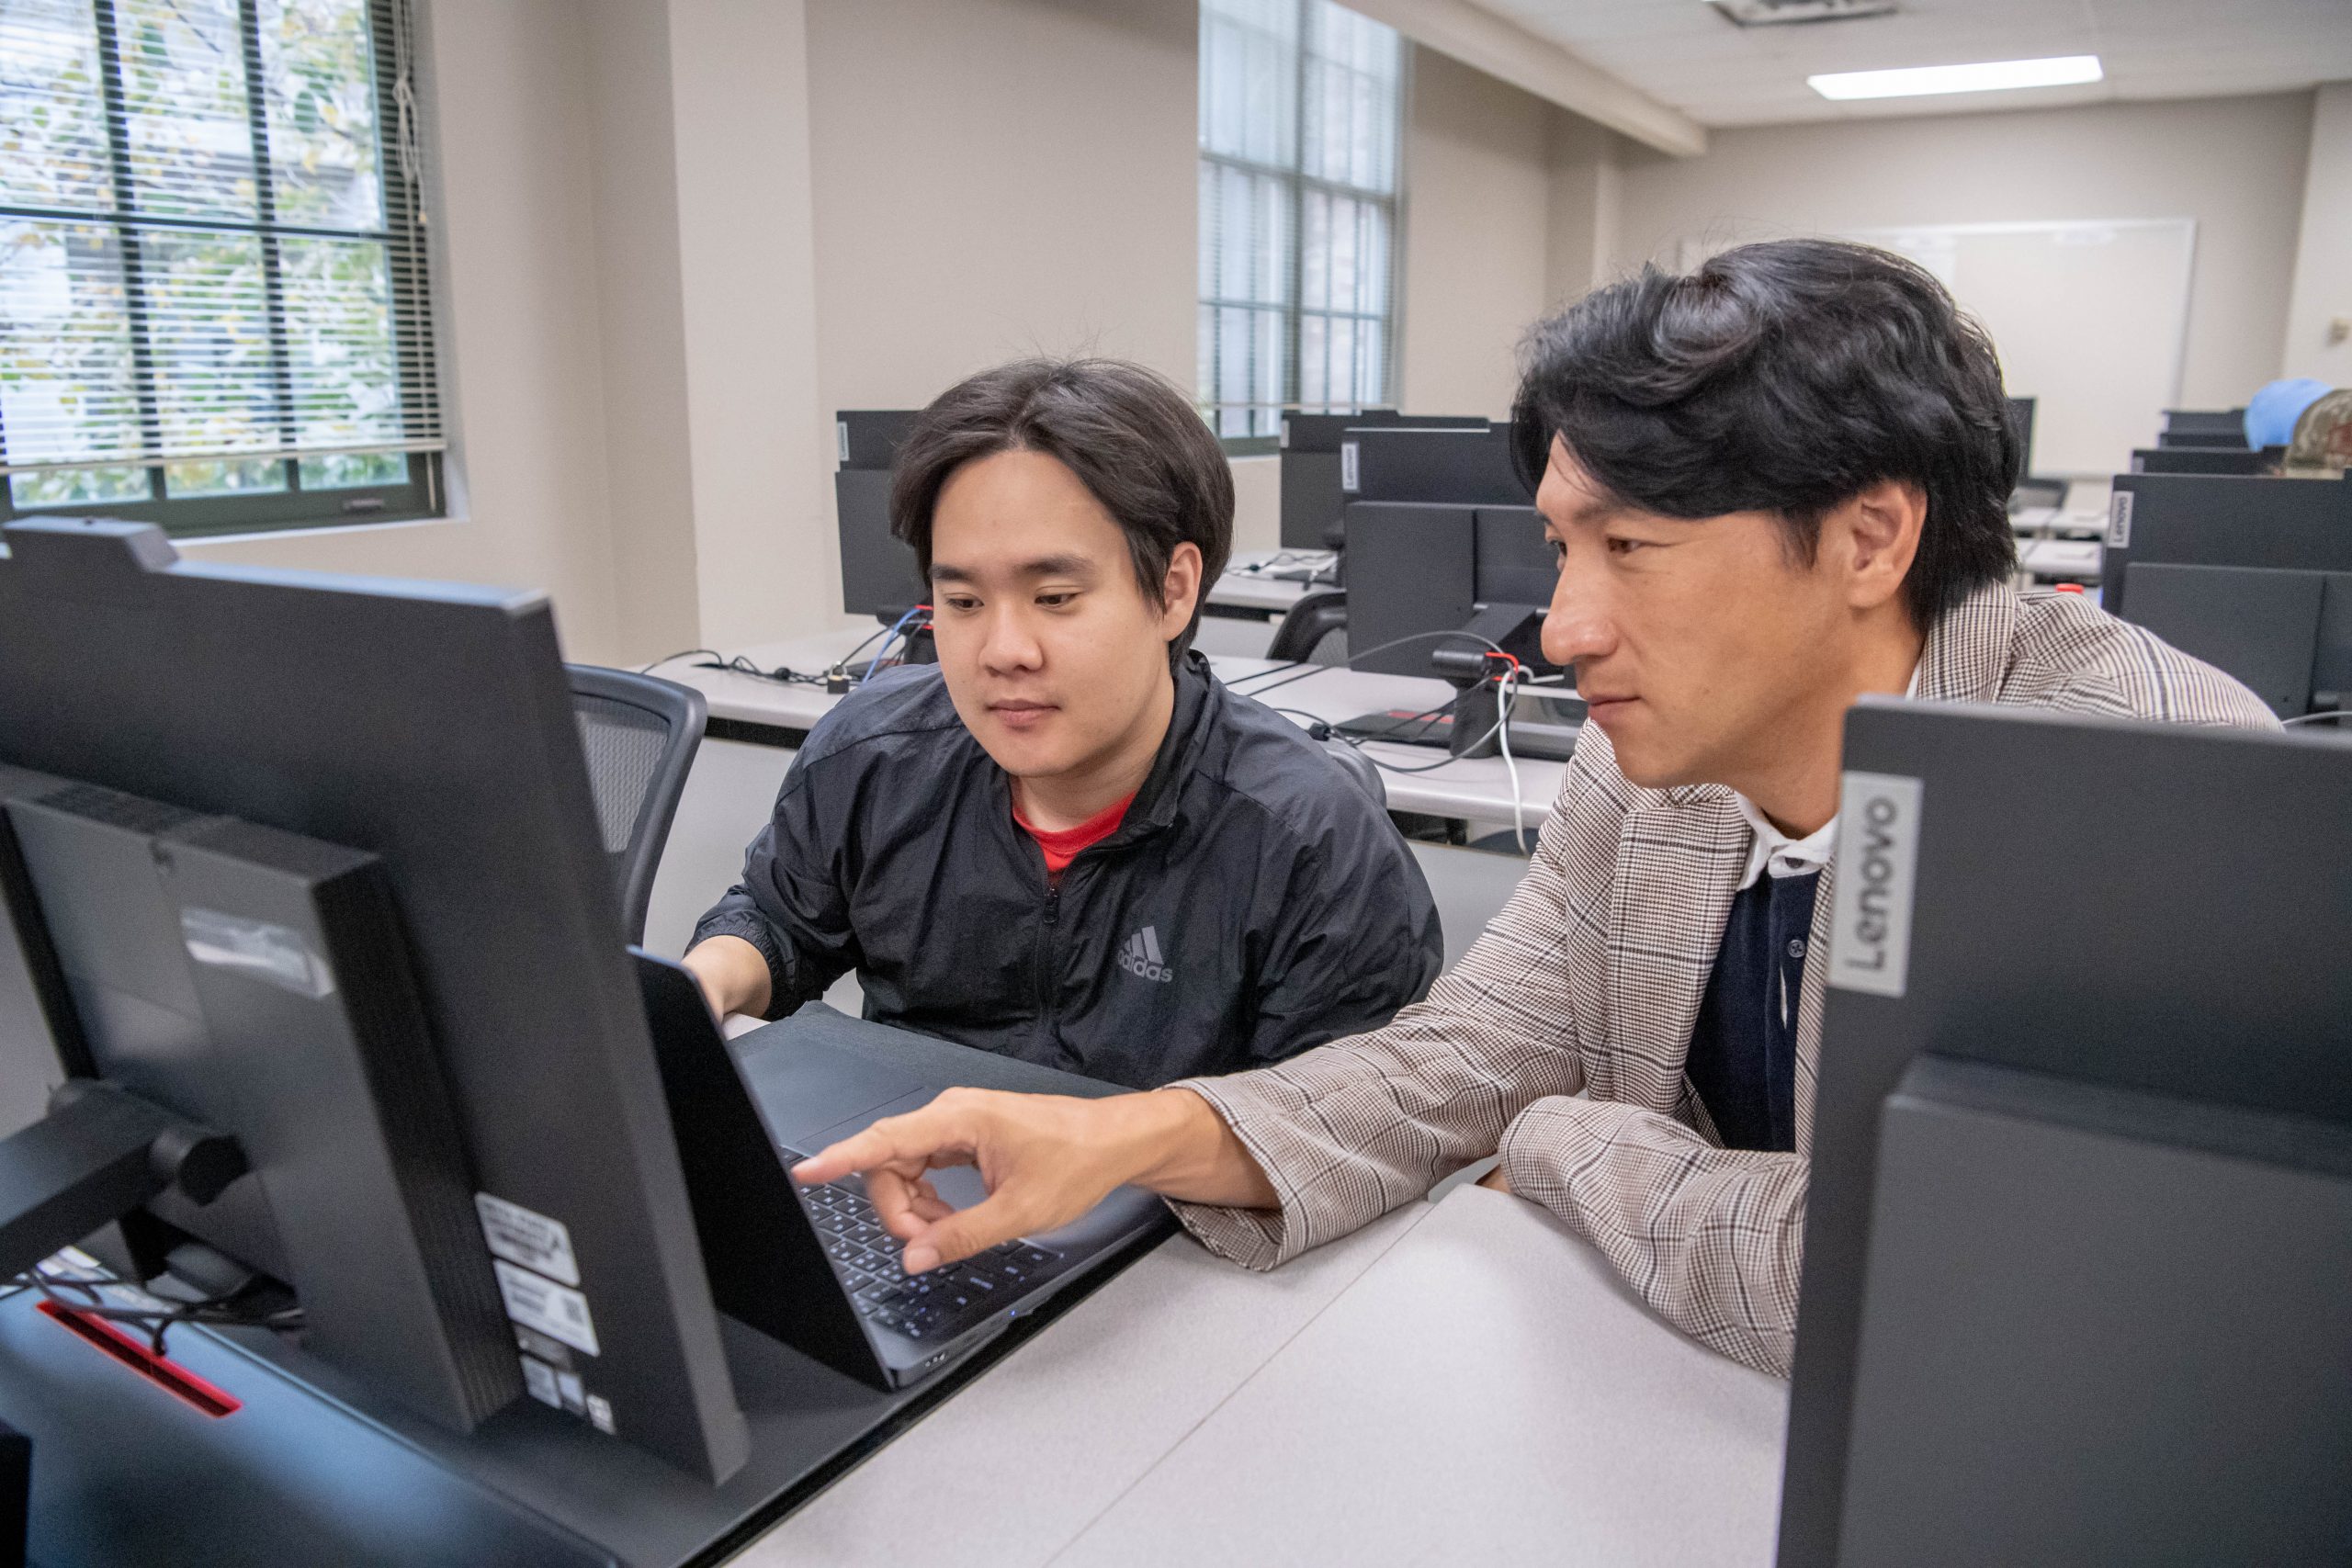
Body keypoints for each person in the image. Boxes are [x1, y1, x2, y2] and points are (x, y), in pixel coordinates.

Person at [791, 240, 2278, 1376]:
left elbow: (1908, 1280)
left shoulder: (2144, 790)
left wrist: (1572, 1144)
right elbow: (1469, 1054)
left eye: (1628, 544)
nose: (1566, 628)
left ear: (1871, 535)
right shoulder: (1653, 762)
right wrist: (1130, 1140)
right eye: (1567, 547)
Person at [684, 357, 1442, 1089]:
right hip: (909, 1181)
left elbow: (1339, 1135)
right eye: (964, 603)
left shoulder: (1312, 841)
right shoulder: (871, 758)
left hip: (1178, 1211)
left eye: (1054, 598)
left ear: (1173, 591)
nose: (1003, 651)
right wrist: (710, 976)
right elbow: (778, 920)